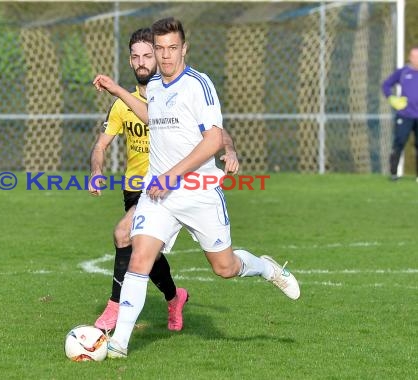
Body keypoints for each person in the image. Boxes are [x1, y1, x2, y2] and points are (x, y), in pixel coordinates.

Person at [93, 17, 300, 359]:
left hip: (198, 192)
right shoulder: (156, 85)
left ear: (184, 48)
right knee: (139, 257)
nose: (165, 55)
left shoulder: (198, 85)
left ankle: (266, 267)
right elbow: (151, 117)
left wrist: (173, 175)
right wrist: (117, 91)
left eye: (172, 48)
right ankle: (119, 343)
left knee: (225, 268)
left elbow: (213, 138)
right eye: (159, 48)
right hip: (158, 194)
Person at [88, 28, 188, 332]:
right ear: (131, 61)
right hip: (133, 191)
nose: (142, 62)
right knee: (149, 253)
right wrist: (96, 172)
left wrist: (228, 148)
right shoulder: (122, 105)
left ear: (158, 56)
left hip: (164, 188)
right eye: (136, 56)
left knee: (123, 234)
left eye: (148, 55)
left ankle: (114, 308)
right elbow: (100, 145)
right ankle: (174, 297)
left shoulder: (173, 98)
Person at [382, 46, 418, 181]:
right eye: (415, 57)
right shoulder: (403, 72)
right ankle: (393, 174)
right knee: (399, 142)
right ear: (410, 58)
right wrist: (391, 98)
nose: (417, 59)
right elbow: (386, 84)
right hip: (405, 115)